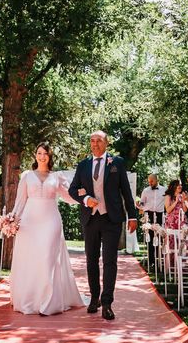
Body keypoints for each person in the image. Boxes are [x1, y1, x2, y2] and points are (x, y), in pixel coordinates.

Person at [68, 130, 137, 321]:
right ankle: (94, 298)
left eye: (99, 140)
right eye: (92, 140)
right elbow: (72, 190)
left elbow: (126, 191)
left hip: (111, 219)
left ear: (106, 143)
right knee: (91, 260)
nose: (95, 144)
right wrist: (86, 199)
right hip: (90, 219)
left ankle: (107, 303)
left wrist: (133, 216)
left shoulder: (117, 163)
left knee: (109, 261)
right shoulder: (83, 165)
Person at [10, 143, 84, 315]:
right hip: (29, 221)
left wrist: (82, 196)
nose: (41, 156)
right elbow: (20, 201)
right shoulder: (27, 176)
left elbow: (68, 197)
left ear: (50, 156)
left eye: (45, 153)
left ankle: (49, 303)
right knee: (32, 259)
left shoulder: (57, 176)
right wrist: (12, 219)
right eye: (39, 153)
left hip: (51, 220)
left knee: (48, 258)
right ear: (35, 155)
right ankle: (31, 299)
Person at [138, 174, 166, 267]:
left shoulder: (164, 190)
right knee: (149, 237)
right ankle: (151, 260)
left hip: (159, 215)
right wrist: (139, 205)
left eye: (152, 181)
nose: (150, 183)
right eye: (149, 181)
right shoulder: (145, 190)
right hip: (149, 214)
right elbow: (142, 202)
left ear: (157, 180)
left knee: (159, 237)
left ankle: (159, 260)